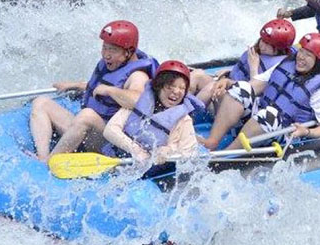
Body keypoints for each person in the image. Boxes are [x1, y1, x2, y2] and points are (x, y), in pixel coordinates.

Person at [29, 20, 158, 162]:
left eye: (112, 50)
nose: (106, 55)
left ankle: (50, 162)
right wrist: (76, 85)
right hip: (86, 131)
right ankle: (42, 156)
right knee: (41, 102)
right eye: (104, 48)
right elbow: (100, 85)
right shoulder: (113, 63)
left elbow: (137, 100)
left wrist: (110, 91)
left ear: (129, 52)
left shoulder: (138, 76)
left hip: (110, 144)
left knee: (87, 115)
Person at [193, 18, 296, 150]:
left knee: (210, 87)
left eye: (267, 43)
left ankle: (206, 138)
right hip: (229, 96)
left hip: (240, 110)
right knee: (198, 75)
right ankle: (181, 120)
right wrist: (228, 73)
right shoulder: (258, 52)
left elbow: (251, 90)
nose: (262, 45)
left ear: (278, 49)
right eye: (262, 40)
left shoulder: (280, 66)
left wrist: (254, 68)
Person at [235, 32, 320, 142]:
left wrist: (306, 132)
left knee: (268, 115)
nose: (301, 57)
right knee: (238, 89)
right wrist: (229, 82)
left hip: (286, 133)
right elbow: (256, 84)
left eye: (308, 55)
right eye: (301, 51)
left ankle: (228, 153)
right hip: (260, 115)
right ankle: (217, 141)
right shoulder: (288, 63)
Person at [103, 60, 204, 164]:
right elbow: (109, 130)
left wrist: (169, 150)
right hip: (118, 159)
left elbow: (190, 154)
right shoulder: (138, 103)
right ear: (158, 86)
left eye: (182, 88)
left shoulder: (184, 120)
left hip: (155, 172)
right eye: (170, 86)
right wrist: (136, 150)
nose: (176, 92)